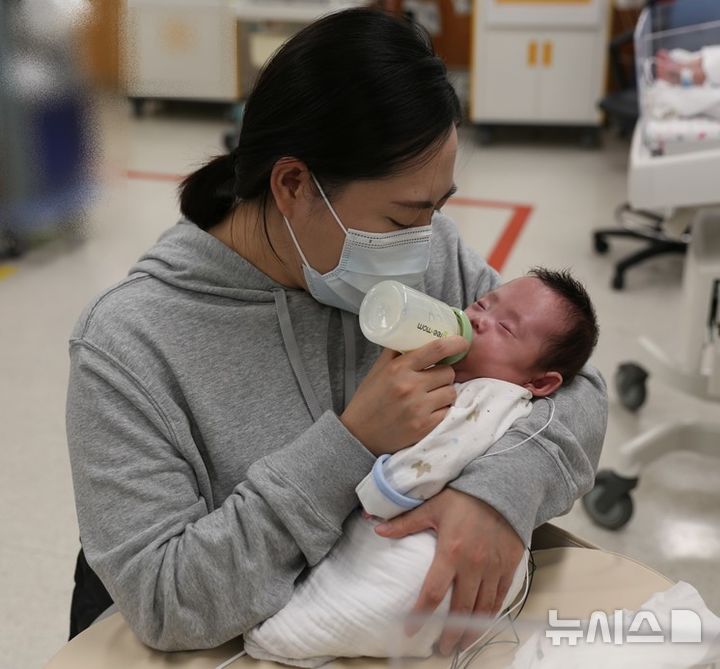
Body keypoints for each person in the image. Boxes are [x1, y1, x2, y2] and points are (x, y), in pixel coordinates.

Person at [65, 8, 608, 654]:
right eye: (406, 213)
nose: (426, 243)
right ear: (294, 185)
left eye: (439, 207)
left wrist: (498, 492)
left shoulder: (430, 257)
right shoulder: (128, 346)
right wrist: (351, 442)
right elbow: (166, 601)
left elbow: (575, 384)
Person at [243, 268, 599, 666]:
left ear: (540, 383)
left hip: (422, 530)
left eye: (506, 329)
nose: (479, 319)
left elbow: (433, 461)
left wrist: (381, 486)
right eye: (482, 303)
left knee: (400, 583)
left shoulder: (486, 399)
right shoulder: (452, 374)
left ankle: (301, 633)